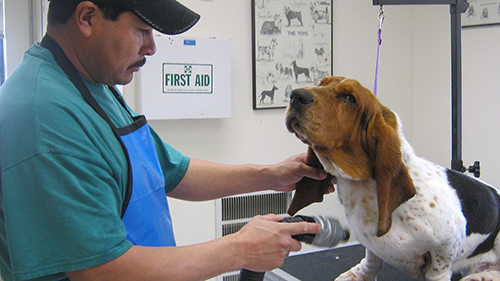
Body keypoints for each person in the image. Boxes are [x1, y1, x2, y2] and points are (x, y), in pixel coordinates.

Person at [0, 0, 332, 280]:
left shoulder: (94, 86)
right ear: (88, 19)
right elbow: (101, 270)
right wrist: (239, 249)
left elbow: (171, 172)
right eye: (142, 31)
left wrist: (271, 176)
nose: (152, 47)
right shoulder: (44, 115)